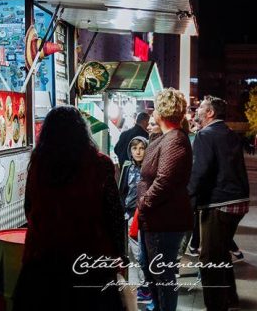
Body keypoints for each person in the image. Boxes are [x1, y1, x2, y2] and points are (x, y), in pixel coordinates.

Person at [14, 106, 125, 310]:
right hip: (90, 259)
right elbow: (114, 214)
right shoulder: (100, 164)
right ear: (83, 132)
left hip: (43, 260)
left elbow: (29, 208)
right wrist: (120, 254)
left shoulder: (39, 165)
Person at [188, 95, 250, 311]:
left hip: (219, 203)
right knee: (221, 252)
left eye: (201, 107)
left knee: (209, 260)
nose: (197, 110)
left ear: (210, 113)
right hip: (239, 201)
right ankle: (230, 299)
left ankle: (216, 306)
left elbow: (200, 171)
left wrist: (189, 199)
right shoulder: (230, 133)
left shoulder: (205, 135)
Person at [137, 88, 193, 311]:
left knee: (161, 275)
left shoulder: (175, 140)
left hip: (164, 220)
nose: (152, 112)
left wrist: (144, 203)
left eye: (155, 107)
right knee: (152, 270)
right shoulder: (168, 137)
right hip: (156, 218)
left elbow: (164, 181)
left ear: (161, 112)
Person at [118, 136, 152, 304]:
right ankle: (142, 286)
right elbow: (122, 190)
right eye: (134, 148)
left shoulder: (150, 167)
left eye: (141, 148)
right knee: (133, 253)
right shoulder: (127, 167)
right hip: (129, 214)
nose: (138, 152)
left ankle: (146, 288)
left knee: (141, 252)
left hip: (143, 214)